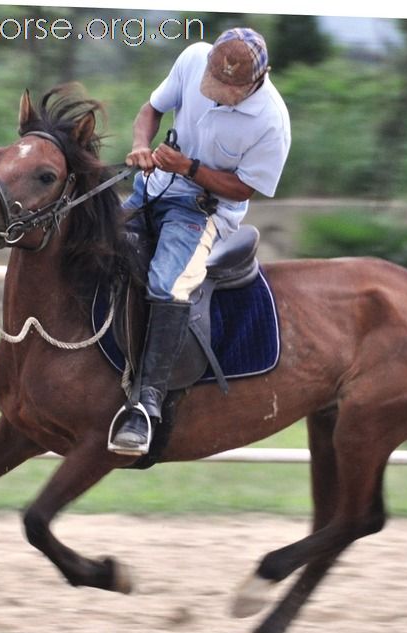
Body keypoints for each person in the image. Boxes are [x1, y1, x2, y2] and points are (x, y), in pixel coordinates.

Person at [110, 27, 291, 455]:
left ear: (257, 80)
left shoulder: (272, 123)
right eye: (216, 83)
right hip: (150, 188)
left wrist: (187, 168)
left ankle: (146, 403)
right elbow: (151, 110)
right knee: (90, 249)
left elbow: (244, 189)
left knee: (168, 285)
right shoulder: (193, 58)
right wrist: (140, 145)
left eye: (229, 89)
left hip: (204, 211)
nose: (218, 94)